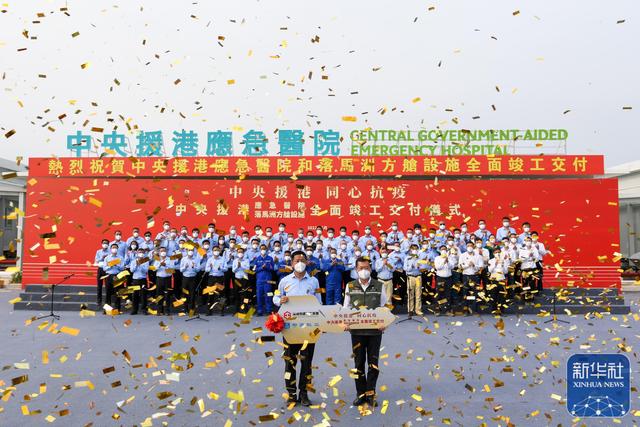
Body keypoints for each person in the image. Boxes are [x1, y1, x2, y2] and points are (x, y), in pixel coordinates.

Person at [273, 251, 322, 407]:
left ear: (307, 262)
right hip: (290, 328)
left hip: (309, 328)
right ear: (291, 263)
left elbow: (319, 302)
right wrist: (279, 300)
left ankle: (304, 393)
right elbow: (275, 296)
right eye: (296, 260)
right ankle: (292, 394)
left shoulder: (314, 281)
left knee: (307, 363)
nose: (299, 263)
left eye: (302, 260)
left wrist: (321, 323)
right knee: (290, 362)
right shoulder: (284, 281)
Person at [344, 256, 388, 407]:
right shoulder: (350, 286)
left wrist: (384, 322)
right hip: (356, 331)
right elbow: (346, 307)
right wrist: (345, 322)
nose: (364, 271)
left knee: (373, 364)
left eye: (367, 268)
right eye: (361, 268)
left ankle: (370, 394)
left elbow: (384, 306)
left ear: (371, 269)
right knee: (358, 363)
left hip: (375, 331)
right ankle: (360, 394)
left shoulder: (379, 285)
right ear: (356, 270)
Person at [251, 244, 275, 316]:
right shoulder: (257, 259)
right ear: (260, 250)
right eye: (262, 249)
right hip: (259, 281)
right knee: (259, 296)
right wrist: (262, 267)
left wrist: (266, 267)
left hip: (268, 280)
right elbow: (254, 270)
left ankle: (269, 310)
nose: (263, 250)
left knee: (269, 295)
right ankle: (260, 311)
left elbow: (272, 268)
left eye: (264, 249)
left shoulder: (270, 258)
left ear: (266, 250)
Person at [205, 246, 227, 315]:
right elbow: (206, 270)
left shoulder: (223, 259)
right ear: (212, 251)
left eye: (217, 250)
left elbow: (226, 269)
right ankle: (209, 311)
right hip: (211, 278)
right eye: (214, 250)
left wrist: (221, 268)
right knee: (210, 294)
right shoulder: (210, 259)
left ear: (220, 251)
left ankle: (221, 310)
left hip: (220, 278)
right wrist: (210, 267)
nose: (216, 251)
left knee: (221, 294)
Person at [152, 248, 175, 315]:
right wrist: (159, 265)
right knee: (159, 295)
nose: (163, 252)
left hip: (167, 279)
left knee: (167, 295)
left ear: (166, 251)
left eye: (164, 251)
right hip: (159, 279)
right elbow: (153, 269)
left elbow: (172, 270)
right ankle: (160, 310)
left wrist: (166, 265)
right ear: (159, 252)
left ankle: (167, 310)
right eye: (161, 251)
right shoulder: (157, 259)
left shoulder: (170, 259)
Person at [180, 246, 201, 314]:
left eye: (191, 250)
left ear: (194, 251)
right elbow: (181, 270)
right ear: (187, 251)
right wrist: (185, 267)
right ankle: (185, 308)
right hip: (185, 278)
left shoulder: (196, 259)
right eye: (189, 250)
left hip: (193, 278)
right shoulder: (183, 259)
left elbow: (198, 270)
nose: (190, 251)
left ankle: (192, 309)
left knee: (192, 294)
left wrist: (194, 267)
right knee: (184, 293)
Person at [403, 244, 423, 316]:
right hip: (410, 277)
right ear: (410, 250)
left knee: (418, 294)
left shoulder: (420, 258)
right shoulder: (407, 258)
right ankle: (410, 310)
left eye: (416, 249)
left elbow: (423, 269)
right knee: (410, 294)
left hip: (418, 277)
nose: (415, 250)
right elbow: (405, 268)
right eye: (413, 249)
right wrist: (411, 266)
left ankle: (418, 310)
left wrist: (420, 267)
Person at [129, 248, 150, 315]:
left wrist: (140, 264)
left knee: (143, 295)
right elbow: (132, 270)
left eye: (142, 252)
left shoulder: (146, 261)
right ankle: (134, 310)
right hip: (135, 280)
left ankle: (144, 309)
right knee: (135, 295)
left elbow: (146, 271)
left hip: (143, 279)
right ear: (137, 253)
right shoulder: (133, 261)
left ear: (144, 253)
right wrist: (136, 264)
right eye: (139, 252)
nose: (141, 253)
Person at [231, 248, 251, 313]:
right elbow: (233, 271)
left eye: (241, 252)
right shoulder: (235, 261)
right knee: (237, 294)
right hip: (237, 279)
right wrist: (237, 267)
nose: (240, 253)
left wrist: (241, 266)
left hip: (244, 279)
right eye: (239, 252)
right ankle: (237, 310)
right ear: (237, 253)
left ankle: (245, 309)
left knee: (245, 295)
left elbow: (248, 270)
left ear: (243, 253)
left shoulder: (246, 260)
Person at [94, 239, 110, 306]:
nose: (105, 244)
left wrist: (106, 258)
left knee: (107, 286)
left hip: (107, 270)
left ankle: (107, 301)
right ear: (101, 244)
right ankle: (99, 301)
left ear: (108, 244)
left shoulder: (110, 251)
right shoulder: (98, 251)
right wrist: (102, 257)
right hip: (100, 269)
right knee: (99, 286)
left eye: (106, 243)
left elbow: (111, 260)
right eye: (103, 243)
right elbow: (96, 260)